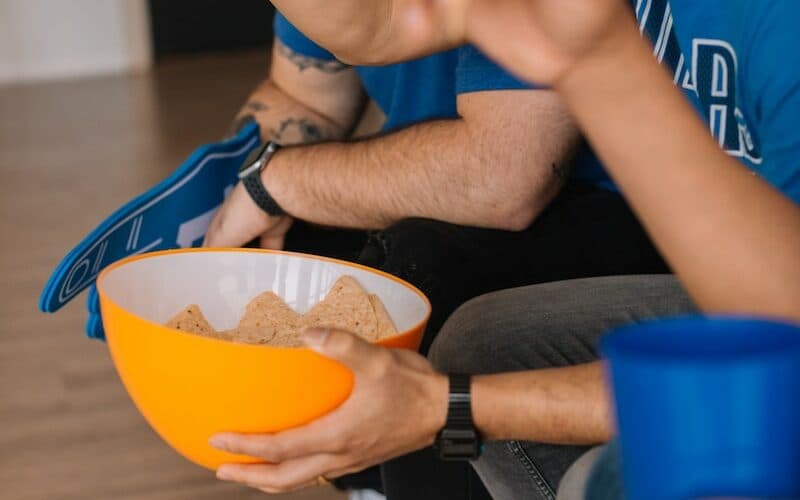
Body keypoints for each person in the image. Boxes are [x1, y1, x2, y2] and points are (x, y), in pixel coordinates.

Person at [208, 0, 800, 498]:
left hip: (764, 334)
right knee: (481, 341)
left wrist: (447, 407)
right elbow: (376, 29)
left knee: (599, 475)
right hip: (755, 307)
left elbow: (779, 361)